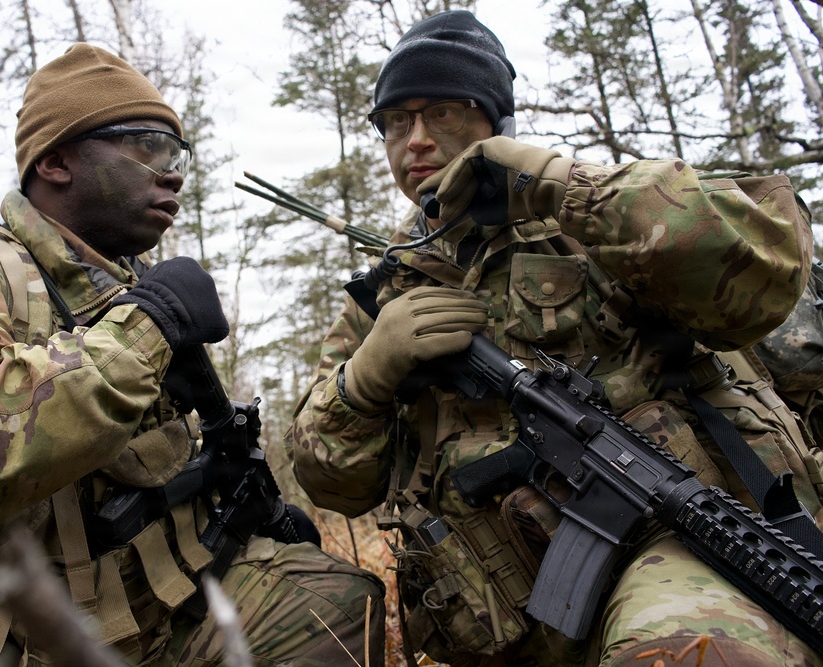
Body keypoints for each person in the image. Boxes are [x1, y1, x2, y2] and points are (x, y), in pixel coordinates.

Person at [287, 10, 822, 667]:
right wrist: (364, 378)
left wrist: (566, 186)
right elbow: (329, 480)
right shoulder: (385, 295)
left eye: (443, 114)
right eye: (396, 122)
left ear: (493, 121)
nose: (415, 142)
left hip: (674, 552)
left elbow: (765, 274)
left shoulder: (591, 218)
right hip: (504, 623)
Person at [0, 43, 384, 666]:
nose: (171, 171)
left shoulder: (121, 285)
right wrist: (149, 327)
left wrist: (248, 520)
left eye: (177, 153)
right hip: (14, 633)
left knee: (331, 601)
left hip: (148, 607)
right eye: (146, 146)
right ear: (57, 160)